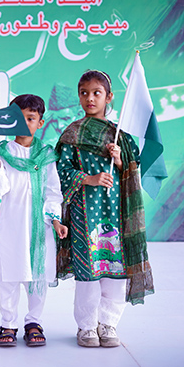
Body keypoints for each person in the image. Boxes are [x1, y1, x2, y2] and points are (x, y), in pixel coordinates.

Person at [55, 70, 154, 348]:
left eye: (96, 93)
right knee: (88, 271)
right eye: (84, 93)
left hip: (116, 213)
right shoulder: (72, 134)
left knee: (115, 271)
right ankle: (87, 326)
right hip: (84, 213)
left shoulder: (120, 136)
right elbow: (60, 171)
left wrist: (120, 161)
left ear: (109, 97)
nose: (90, 98)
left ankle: (108, 323)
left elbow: (133, 172)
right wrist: (89, 178)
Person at [0, 94, 68, 347]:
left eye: (30, 119)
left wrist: (56, 220)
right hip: (12, 223)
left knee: (38, 276)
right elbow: (1, 189)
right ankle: (7, 323)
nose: (24, 123)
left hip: (40, 227)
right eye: (19, 118)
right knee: (9, 275)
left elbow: (53, 191)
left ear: (40, 123)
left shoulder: (46, 155)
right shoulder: (2, 152)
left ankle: (33, 322)